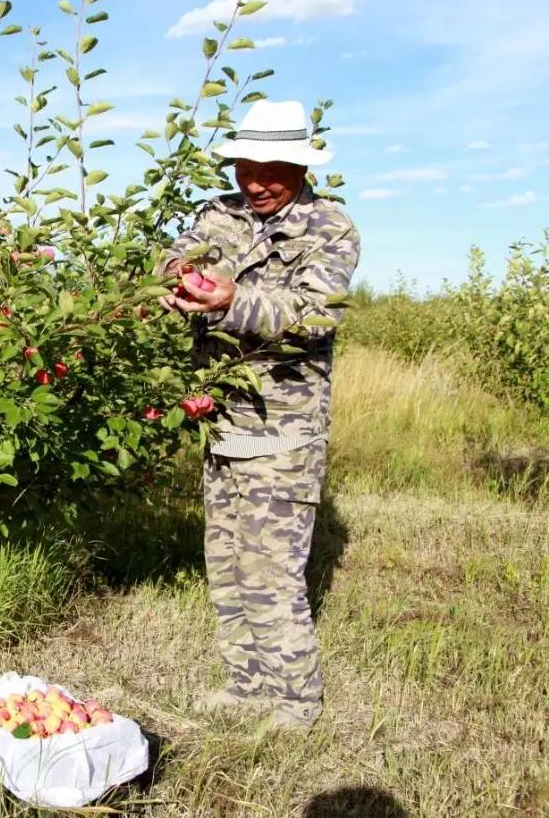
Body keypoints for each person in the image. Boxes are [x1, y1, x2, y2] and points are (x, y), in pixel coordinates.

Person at [158, 99, 361, 731]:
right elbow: (177, 257)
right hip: (224, 422)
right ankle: (246, 687)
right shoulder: (218, 214)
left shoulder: (330, 227)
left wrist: (231, 301)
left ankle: (295, 704)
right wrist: (176, 279)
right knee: (226, 564)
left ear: (301, 165)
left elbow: (314, 314)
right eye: (247, 166)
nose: (256, 181)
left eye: (272, 168)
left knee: (270, 574)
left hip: (283, 429)